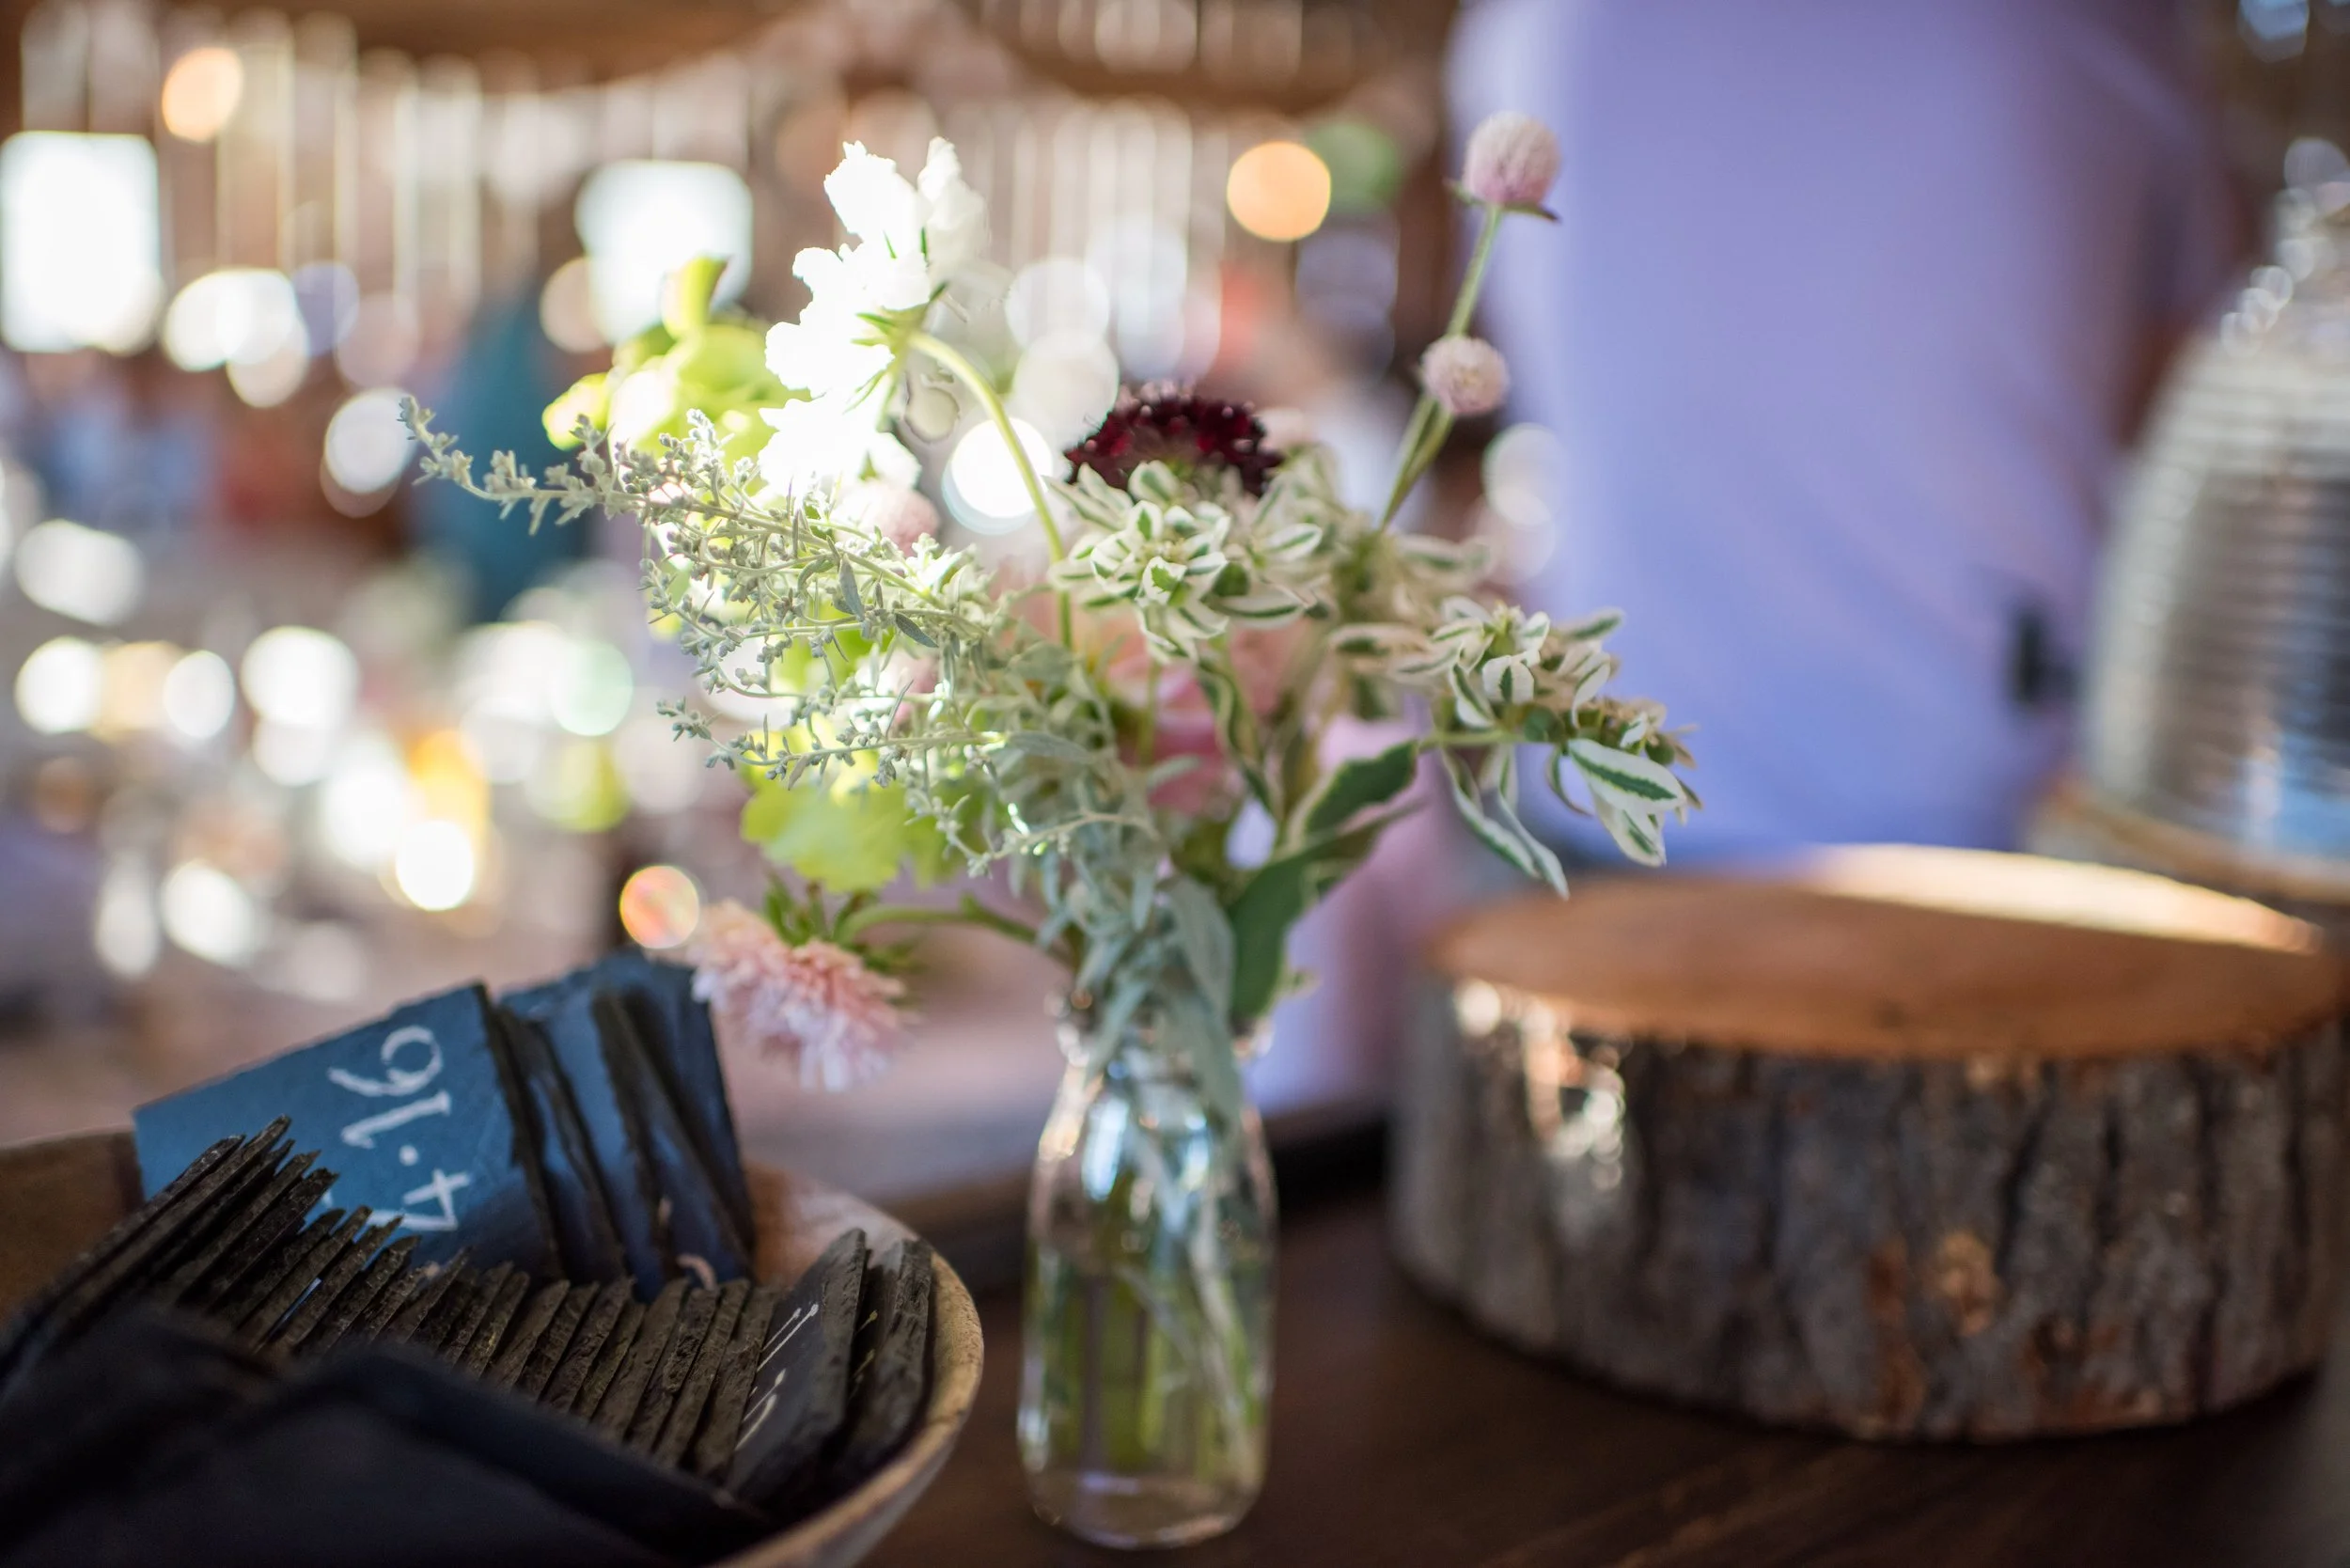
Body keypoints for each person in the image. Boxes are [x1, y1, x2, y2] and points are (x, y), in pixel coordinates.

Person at [1449, 0, 2243, 856]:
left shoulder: (1526, 25)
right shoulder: (2103, 21)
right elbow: (2210, 397)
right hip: (2002, 826)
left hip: (1606, 804)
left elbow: (1513, 360)